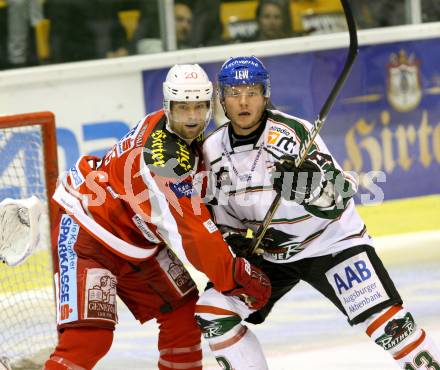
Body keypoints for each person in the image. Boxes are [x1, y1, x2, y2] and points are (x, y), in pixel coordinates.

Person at [196, 56, 440, 369]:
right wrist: (232, 241)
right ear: (222, 98)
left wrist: (312, 191)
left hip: (329, 243)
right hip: (272, 255)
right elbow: (218, 216)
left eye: (252, 92)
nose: (243, 102)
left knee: (390, 328)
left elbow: (341, 196)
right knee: (213, 311)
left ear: (265, 94)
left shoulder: (293, 133)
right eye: (234, 93)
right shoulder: (211, 150)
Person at [43, 63, 271, 370]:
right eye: (183, 108)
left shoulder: (184, 137)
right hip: (90, 233)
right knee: (89, 339)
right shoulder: (165, 158)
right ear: (167, 106)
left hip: (137, 238)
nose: (192, 118)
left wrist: (230, 238)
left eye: (200, 107)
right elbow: (193, 233)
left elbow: (205, 200)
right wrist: (234, 276)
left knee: (184, 316)